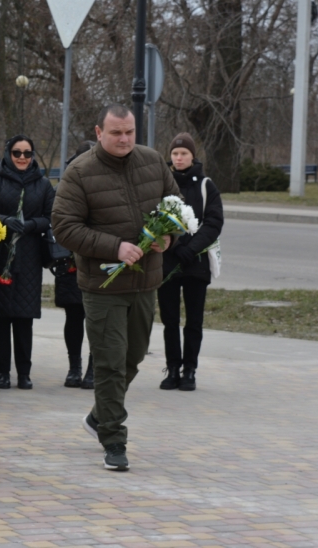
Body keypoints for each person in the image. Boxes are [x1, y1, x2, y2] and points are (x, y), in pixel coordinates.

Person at [52, 104, 178, 471]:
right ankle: (113, 438)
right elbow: (64, 227)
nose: (124, 139)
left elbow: (175, 205)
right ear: (98, 132)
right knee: (109, 363)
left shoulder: (153, 162)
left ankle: (97, 416)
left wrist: (166, 237)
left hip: (146, 281)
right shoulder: (79, 172)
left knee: (132, 358)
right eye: (116, 133)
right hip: (102, 285)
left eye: (129, 132)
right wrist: (115, 247)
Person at [0, 134, 54, 390]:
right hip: (0, 256)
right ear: (8, 154)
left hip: (30, 255)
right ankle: (2, 372)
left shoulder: (43, 184)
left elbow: (50, 216)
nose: (22, 158)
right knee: (0, 318)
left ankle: (24, 373)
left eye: (27, 153)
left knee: (24, 319)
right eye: (17, 153)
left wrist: (31, 225)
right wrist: (4, 220)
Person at [157, 133, 223, 391]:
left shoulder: (206, 186)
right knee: (169, 320)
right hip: (168, 262)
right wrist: (174, 245)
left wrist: (192, 247)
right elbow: (154, 217)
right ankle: (172, 368)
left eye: (183, 153)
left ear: (192, 156)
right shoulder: (163, 183)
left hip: (196, 264)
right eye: (175, 154)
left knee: (193, 321)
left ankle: (190, 370)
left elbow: (214, 222)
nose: (179, 157)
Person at [53, 141, 96, 389]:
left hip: (98, 260)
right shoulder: (64, 188)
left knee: (96, 318)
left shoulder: (105, 186)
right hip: (70, 261)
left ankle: (93, 368)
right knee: (73, 315)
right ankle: (74, 367)